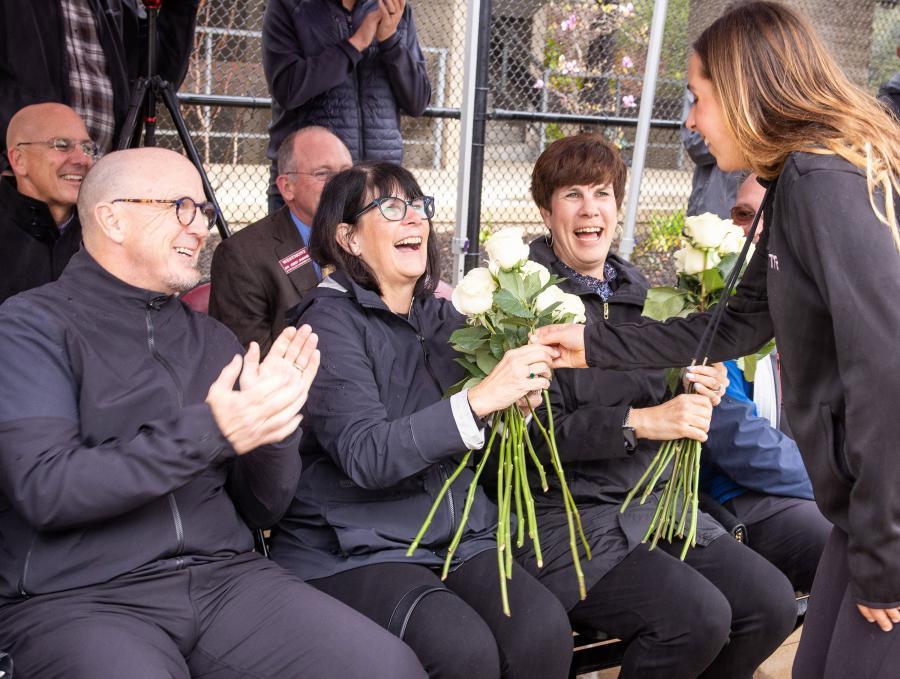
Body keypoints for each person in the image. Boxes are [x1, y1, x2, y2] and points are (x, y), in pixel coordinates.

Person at [534, 4, 900, 678]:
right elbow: (738, 321)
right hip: (864, 504)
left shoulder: (827, 181)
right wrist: (595, 343)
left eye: (698, 98)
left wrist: (885, 554)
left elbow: (885, 370)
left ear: (742, 91)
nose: (692, 120)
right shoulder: (798, 180)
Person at [0, 147, 427, 679]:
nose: (200, 228)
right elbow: (47, 488)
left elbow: (262, 510)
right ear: (112, 217)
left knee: (387, 669)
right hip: (79, 597)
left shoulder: (212, 340)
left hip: (224, 579)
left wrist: (274, 426)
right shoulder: (30, 326)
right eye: (181, 207)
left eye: (202, 211)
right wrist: (214, 427)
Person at [270, 162, 574, 678]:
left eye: (418, 205)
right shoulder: (326, 322)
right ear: (349, 238)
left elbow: (477, 430)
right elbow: (366, 454)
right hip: (354, 545)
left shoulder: (443, 318)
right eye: (391, 207)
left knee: (542, 632)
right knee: (462, 650)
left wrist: (514, 412)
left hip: (454, 532)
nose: (414, 219)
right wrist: (480, 400)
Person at [517, 133, 796, 679]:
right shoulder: (520, 303)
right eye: (572, 194)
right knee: (697, 618)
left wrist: (694, 393)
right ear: (547, 211)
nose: (590, 208)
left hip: (656, 506)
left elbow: (663, 401)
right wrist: (643, 423)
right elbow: (529, 442)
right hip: (568, 517)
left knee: (770, 604)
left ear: (619, 208)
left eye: (602, 192)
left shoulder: (641, 297)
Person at [703, 172, 831, 594]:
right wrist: (839, 483)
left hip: (813, 483)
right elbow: (737, 440)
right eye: (743, 214)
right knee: (845, 542)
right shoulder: (709, 302)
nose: (755, 228)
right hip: (747, 495)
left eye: (770, 216)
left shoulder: (818, 299)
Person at [261, 0, 431, 212]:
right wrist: (356, 44)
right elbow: (288, 89)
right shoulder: (288, 6)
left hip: (380, 191)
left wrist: (390, 41)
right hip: (312, 193)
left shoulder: (395, 10)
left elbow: (417, 101)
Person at [209, 127, 353, 355]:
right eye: (322, 173)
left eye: (346, 173)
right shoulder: (243, 256)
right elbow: (250, 360)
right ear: (287, 187)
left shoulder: (368, 237)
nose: (340, 184)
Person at [0, 0, 200, 161]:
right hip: (19, 178)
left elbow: (156, 79)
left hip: (101, 174)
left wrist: (179, 7)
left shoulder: (119, 4)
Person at [1, 103, 97, 304]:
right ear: (18, 160)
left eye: (87, 148)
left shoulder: (104, 231)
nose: (82, 159)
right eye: (61, 145)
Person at [681, 92, 742, 218]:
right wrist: (735, 133)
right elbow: (693, 143)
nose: (691, 122)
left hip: (743, 210)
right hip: (708, 209)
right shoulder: (699, 84)